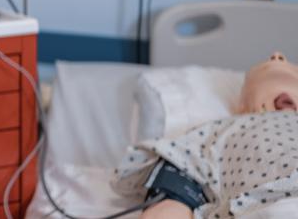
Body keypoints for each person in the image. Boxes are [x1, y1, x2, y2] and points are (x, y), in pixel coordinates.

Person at [113, 53, 298, 218]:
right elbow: (181, 172)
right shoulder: (225, 130)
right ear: (241, 108)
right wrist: (170, 204)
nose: (277, 56)